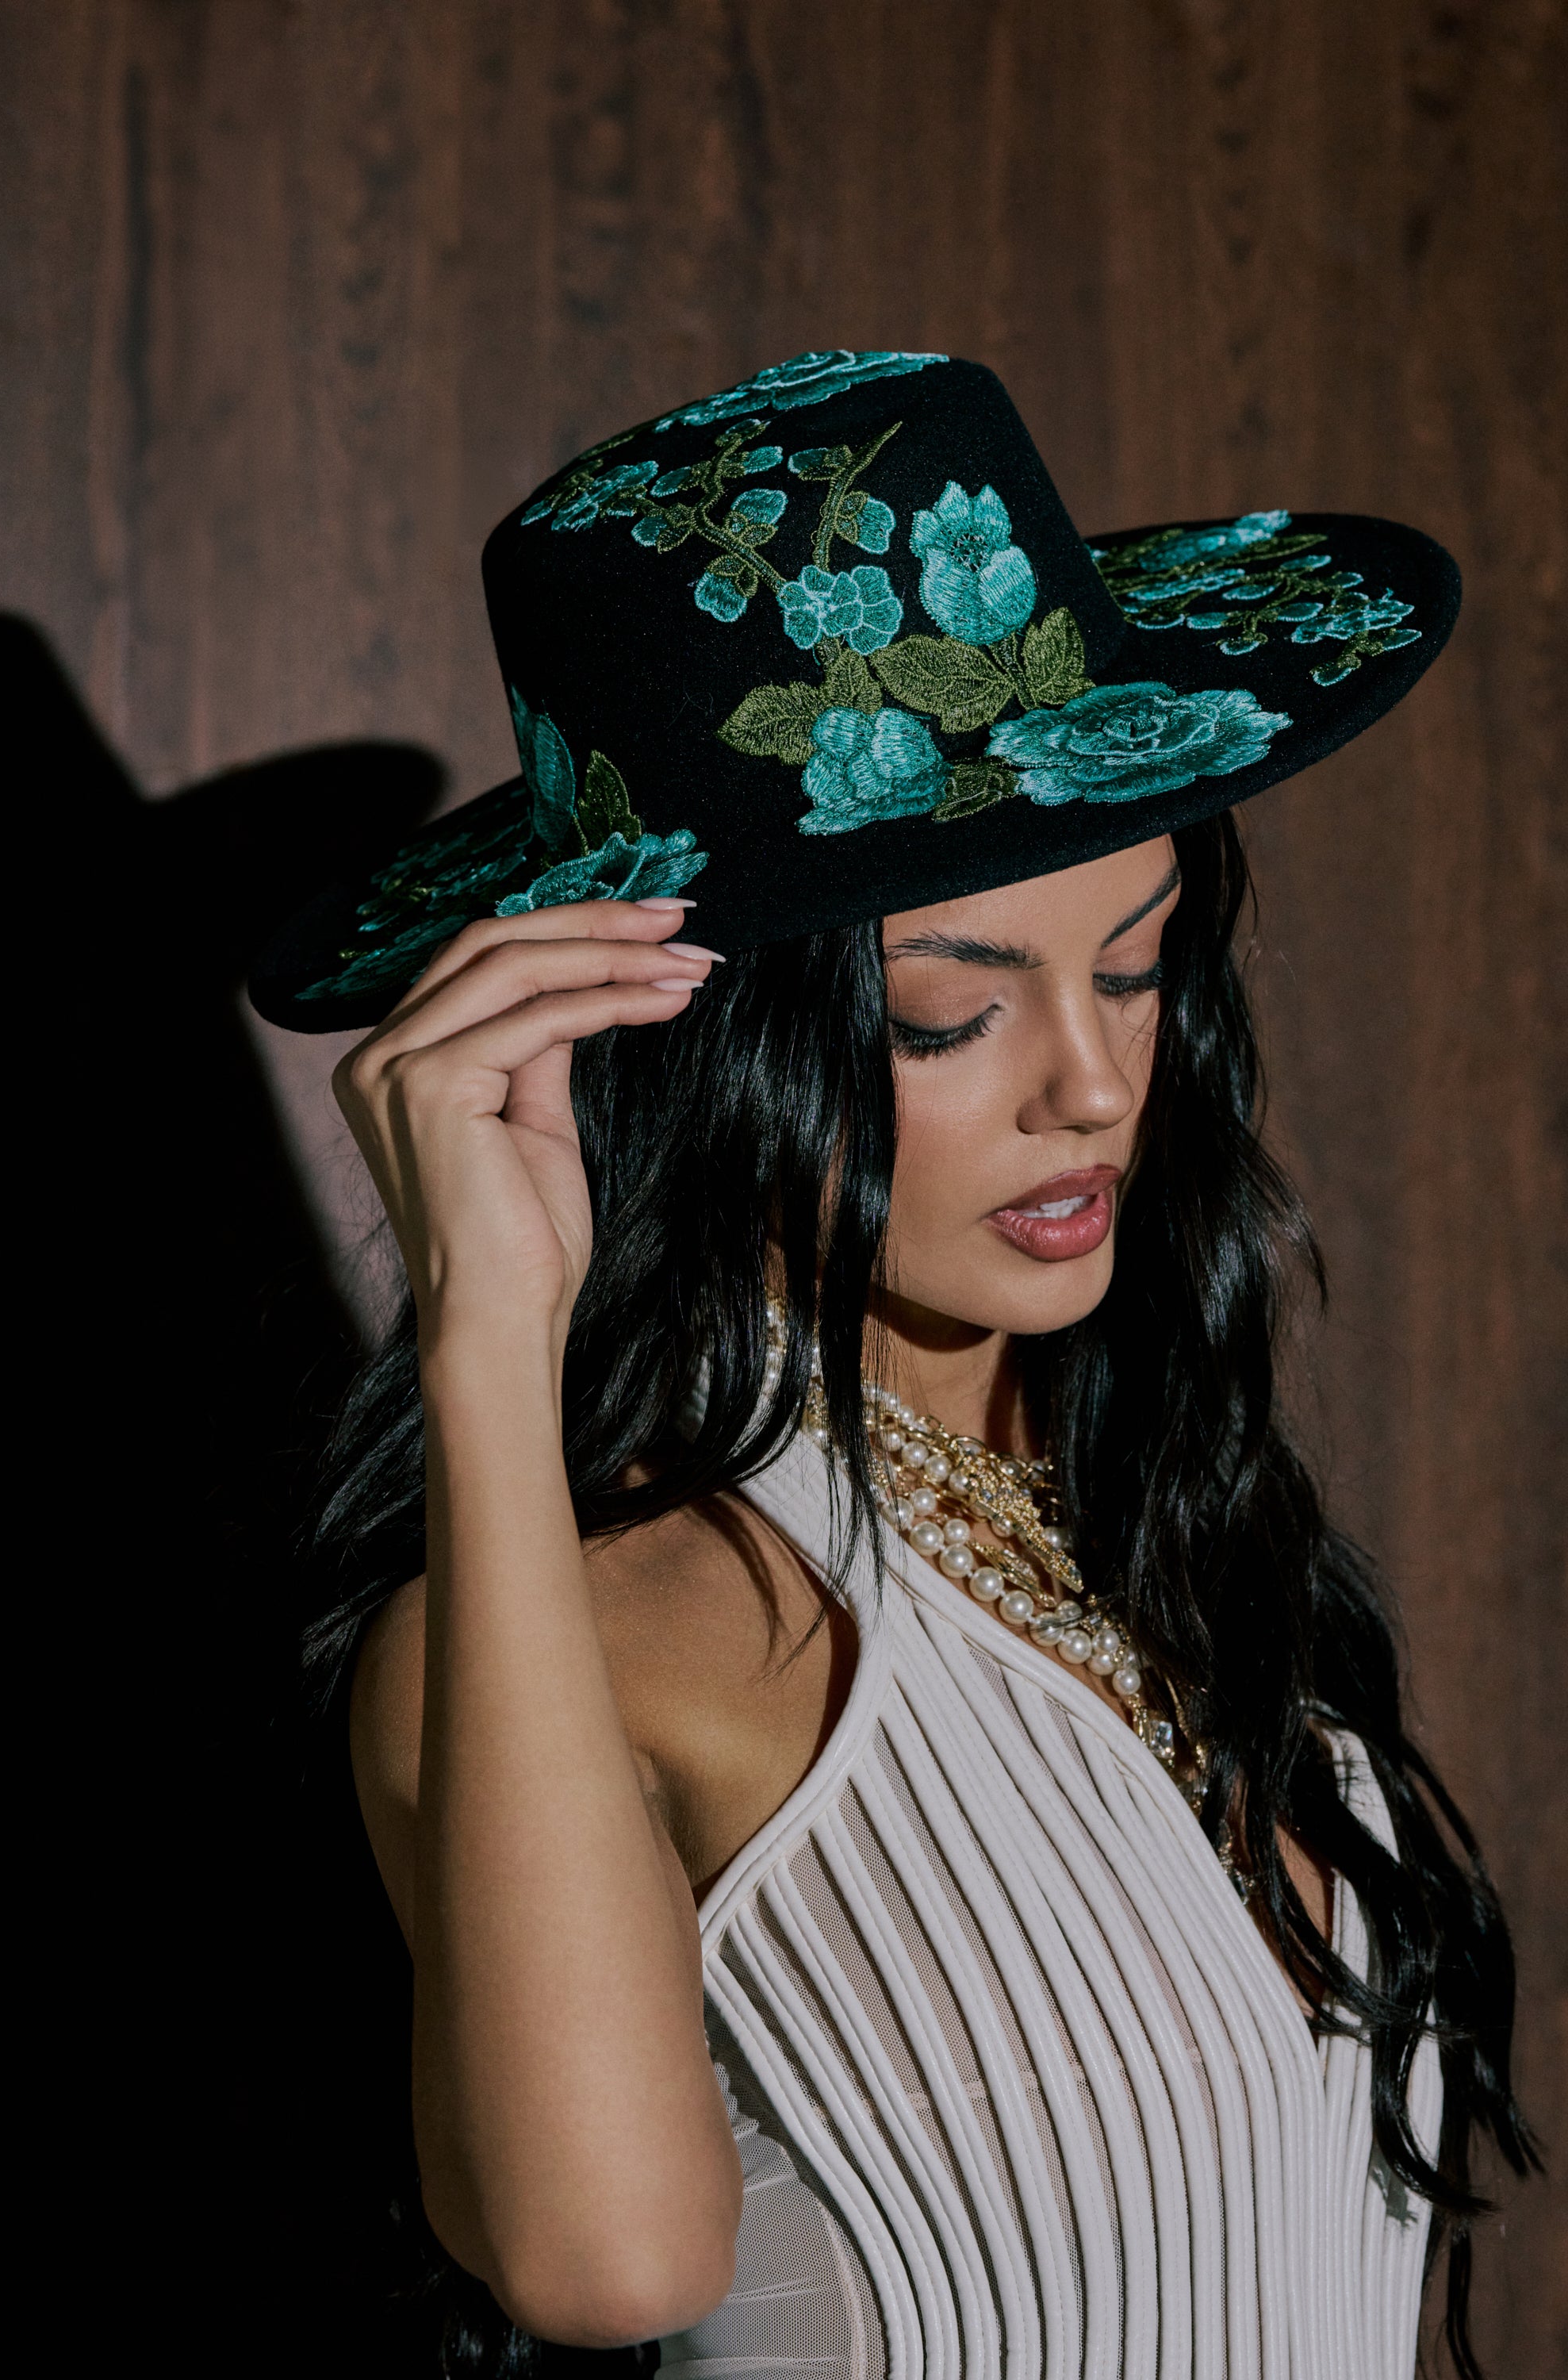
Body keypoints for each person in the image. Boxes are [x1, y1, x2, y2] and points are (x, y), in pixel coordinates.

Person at [252, 352, 1534, 2378]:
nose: (1099, 1083)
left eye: (1136, 962)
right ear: (696, 1038)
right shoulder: (591, 1627)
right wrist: (492, 1344)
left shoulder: (1160, 1544)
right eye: (953, 1015)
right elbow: (603, 2268)